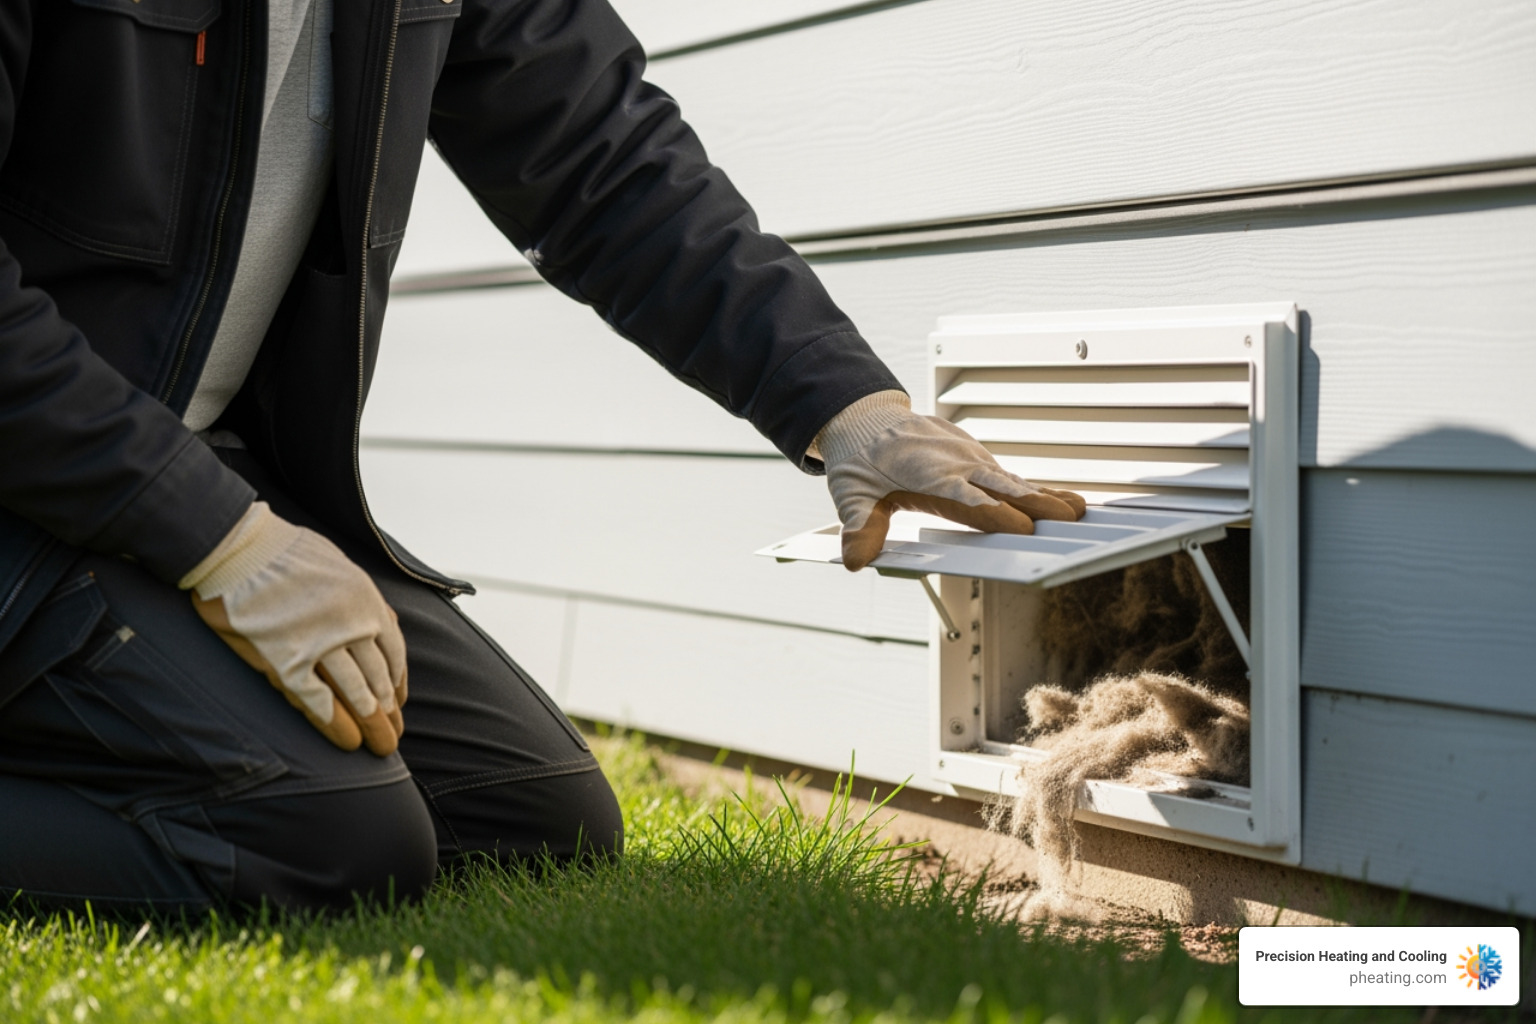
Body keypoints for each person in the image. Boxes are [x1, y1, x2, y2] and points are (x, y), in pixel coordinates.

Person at [0, 0, 1084, 913]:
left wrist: (843, 405)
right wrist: (220, 540)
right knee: (319, 837)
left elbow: (598, 159)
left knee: (527, 817)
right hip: (35, 486)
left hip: (188, 472)